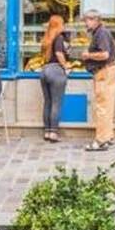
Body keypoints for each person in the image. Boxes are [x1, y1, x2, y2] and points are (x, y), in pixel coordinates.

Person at [81, 9, 115, 152]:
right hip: (109, 70)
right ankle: (108, 136)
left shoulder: (101, 33)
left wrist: (88, 55)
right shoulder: (101, 32)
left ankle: (101, 141)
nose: (86, 23)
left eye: (87, 20)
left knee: (102, 106)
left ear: (95, 20)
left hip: (104, 71)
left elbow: (104, 54)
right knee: (107, 105)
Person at [39, 15, 71, 143]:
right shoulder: (58, 38)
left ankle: (47, 131)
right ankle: (53, 132)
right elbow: (59, 54)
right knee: (56, 103)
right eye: (62, 23)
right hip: (56, 70)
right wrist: (66, 67)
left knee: (47, 102)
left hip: (45, 70)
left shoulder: (46, 38)